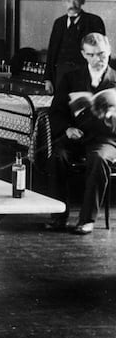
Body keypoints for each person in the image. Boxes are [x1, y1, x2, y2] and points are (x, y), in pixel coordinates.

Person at [45, 32, 116, 235]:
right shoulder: (71, 78)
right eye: (91, 55)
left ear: (109, 51)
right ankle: (58, 216)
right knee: (58, 157)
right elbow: (56, 112)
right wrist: (67, 128)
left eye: (101, 54)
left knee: (99, 159)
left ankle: (87, 220)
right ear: (83, 54)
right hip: (77, 137)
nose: (97, 59)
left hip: (106, 139)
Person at [45, 0, 106, 95]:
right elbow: (52, 52)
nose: (72, 5)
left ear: (82, 1)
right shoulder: (59, 23)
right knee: (61, 107)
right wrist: (48, 79)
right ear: (63, 2)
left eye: (76, 1)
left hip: (84, 75)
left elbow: (101, 53)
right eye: (68, 1)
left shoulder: (94, 21)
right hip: (61, 75)